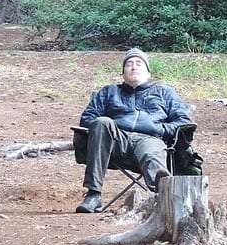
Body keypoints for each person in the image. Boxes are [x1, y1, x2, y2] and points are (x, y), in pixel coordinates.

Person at [76, 48, 192, 213]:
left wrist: (160, 128)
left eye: (139, 64)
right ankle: (93, 195)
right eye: (129, 64)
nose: (133, 67)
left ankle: (164, 197)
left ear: (148, 72)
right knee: (102, 122)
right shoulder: (109, 92)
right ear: (123, 72)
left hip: (149, 139)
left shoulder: (164, 92)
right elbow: (87, 118)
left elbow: (183, 122)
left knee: (151, 153)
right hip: (115, 141)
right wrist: (111, 124)